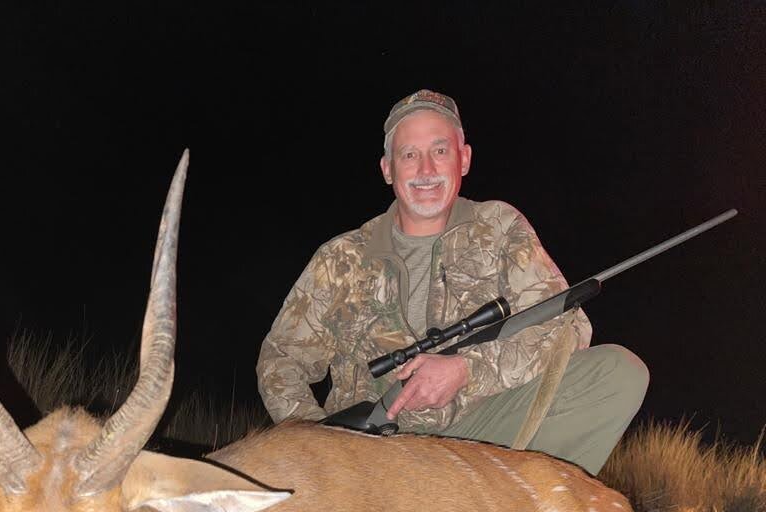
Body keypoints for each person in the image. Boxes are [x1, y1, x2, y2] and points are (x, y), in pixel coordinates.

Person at [256, 88, 648, 475]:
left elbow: (569, 328)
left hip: (477, 438)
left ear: (464, 159)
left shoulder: (500, 227)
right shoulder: (340, 257)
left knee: (618, 374)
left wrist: (467, 370)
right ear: (387, 168)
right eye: (409, 155)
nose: (426, 170)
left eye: (440, 151)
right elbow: (281, 359)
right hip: (368, 457)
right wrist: (319, 444)